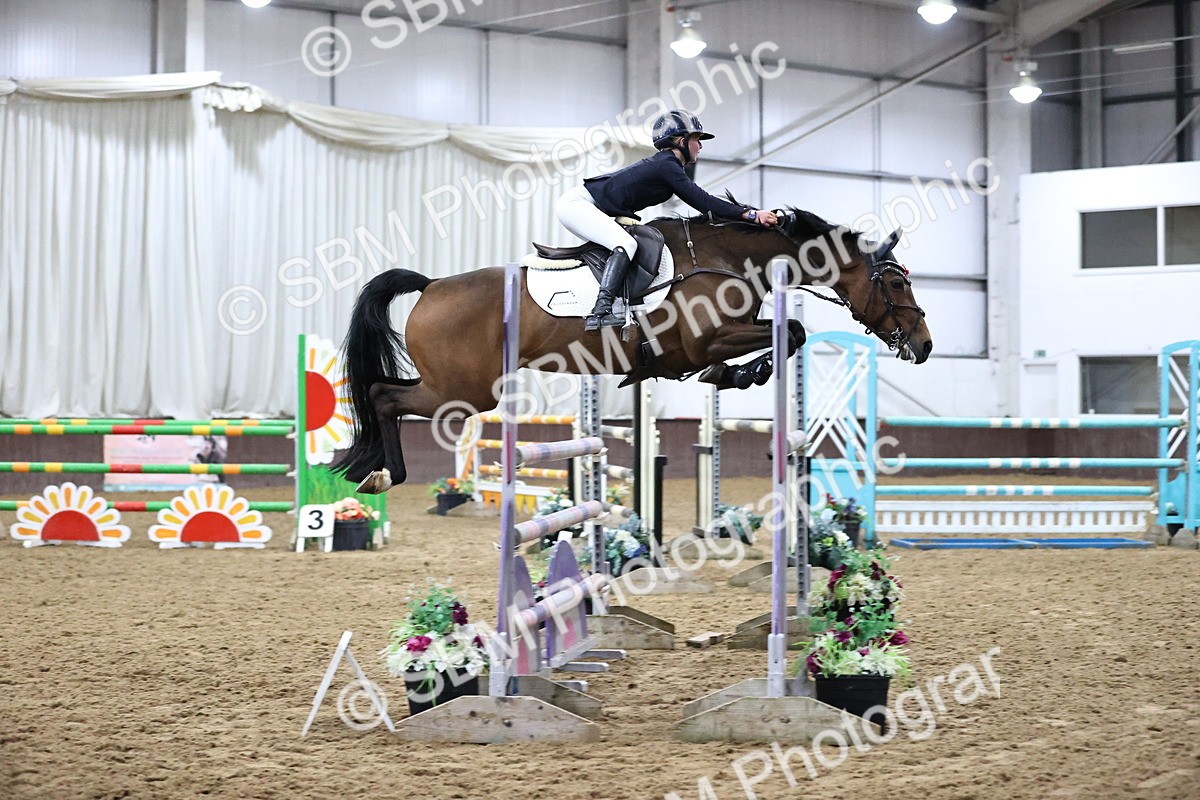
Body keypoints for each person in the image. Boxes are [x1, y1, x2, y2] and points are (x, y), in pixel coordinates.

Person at [555, 110, 779, 331]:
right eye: (696, 139)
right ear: (681, 141)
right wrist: (751, 214)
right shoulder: (667, 165)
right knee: (626, 244)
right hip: (578, 205)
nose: (700, 146)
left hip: (587, 205)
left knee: (628, 243)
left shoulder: (667, 164)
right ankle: (601, 312)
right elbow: (703, 201)